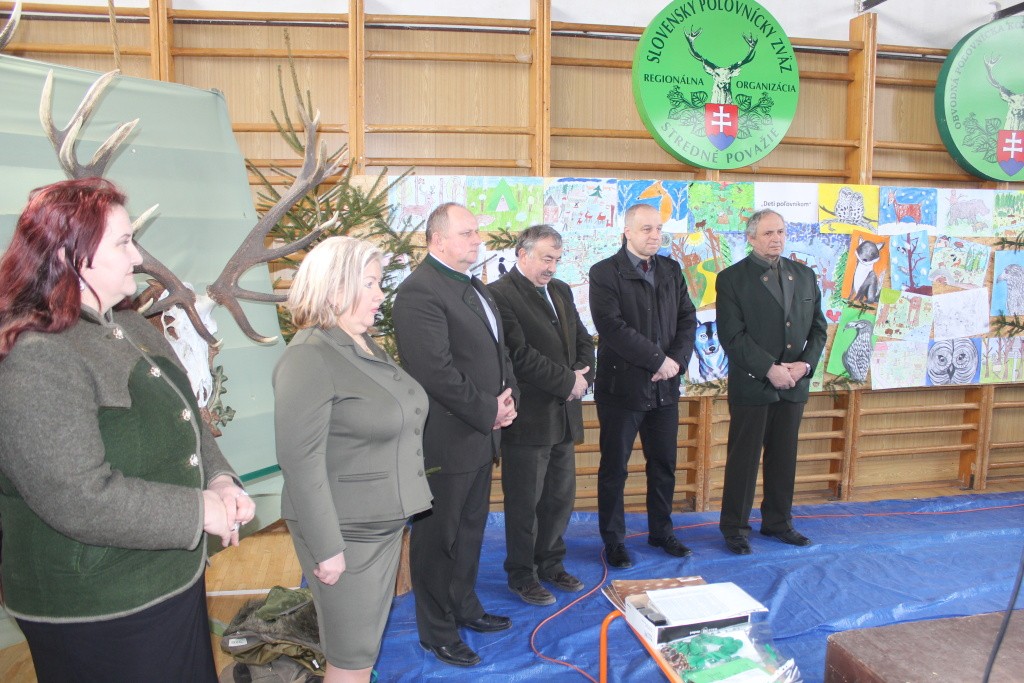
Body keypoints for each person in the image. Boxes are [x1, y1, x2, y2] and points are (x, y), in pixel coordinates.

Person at [0, 177, 254, 682]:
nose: (138, 257)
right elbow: (77, 497)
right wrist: (197, 510)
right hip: (98, 609)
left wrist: (220, 480)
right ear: (72, 257)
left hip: (165, 581)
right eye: (123, 243)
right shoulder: (38, 355)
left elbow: (186, 417)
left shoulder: (130, 325)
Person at [273, 236, 432, 683]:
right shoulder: (309, 355)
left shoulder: (360, 345)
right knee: (351, 657)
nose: (380, 294)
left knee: (362, 650)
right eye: (370, 283)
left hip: (378, 526)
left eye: (379, 282)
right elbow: (300, 462)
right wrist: (327, 548)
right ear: (334, 288)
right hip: (346, 535)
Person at [392, 202, 518, 668]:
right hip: (445, 441)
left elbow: (500, 354)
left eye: (476, 232)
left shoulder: (472, 285)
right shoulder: (419, 292)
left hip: (481, 435)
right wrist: (489, 410)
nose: (477, 239)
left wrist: (508, 400)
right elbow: (435, 372)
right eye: (467, 233)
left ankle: (464, 606)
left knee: (469, 532)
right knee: (437, 540)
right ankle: (437, 631)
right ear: (437, 239)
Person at [488, 225, 594, 606]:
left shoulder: (561, 290)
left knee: (559, 498)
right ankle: (522, 574)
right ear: (523, 253)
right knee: (524, 504)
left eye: (557, 260)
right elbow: (518, 355)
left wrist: (583, 376)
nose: (552, 267)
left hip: (564, 417)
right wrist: (568, 382)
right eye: (546, 258)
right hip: (529, 420)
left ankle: (550, 563)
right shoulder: (499, 294)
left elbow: (583, 340)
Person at [589, 203, 697, 569]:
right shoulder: (604, 272)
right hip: (622, 389)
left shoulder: (670, 269)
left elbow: (687, 318)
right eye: (646, 229)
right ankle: (614, 540)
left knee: (664, 464)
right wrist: (657, 361)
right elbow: (611, 327)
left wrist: (675, 362)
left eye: (659, 228)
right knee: (615, 469)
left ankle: (661, 532)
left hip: (665, 388)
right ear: (627, 232)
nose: (655, 235)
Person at [716, 209, 827, 555]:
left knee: (784, 459)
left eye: (780, 232)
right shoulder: (732, 279)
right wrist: (769, 369)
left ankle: (778, 522)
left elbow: (818, 329)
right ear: (751, 238)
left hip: (794, 384)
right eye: (767, 233)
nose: (776, 238)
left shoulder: (804, 275)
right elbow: (732, 336)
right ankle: (735, 528)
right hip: (753, 385)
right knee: (744, 461)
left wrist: (804, 366)